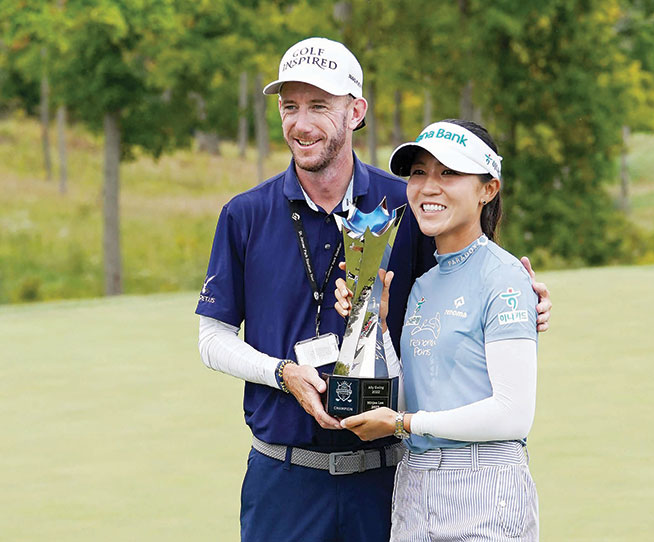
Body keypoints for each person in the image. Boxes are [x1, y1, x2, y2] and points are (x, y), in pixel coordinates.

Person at [196, 37, 551, 542]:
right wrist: (282, 373)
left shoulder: (406, 202)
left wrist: (522, 296)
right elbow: (212, 340)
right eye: (289, 106)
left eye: (319, 106)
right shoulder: (245, 214)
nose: (301, 123)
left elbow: (466, 279)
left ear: (355, 111)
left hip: (386, 477)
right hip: (283, 476)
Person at [335, 119, 541, 541]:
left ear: (488, 189)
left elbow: (512, 413)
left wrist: (403, 424)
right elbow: (418, 393)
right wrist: (373, 319)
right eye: (419, 173)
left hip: (485, 487)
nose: (429, 187)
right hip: (415, 488)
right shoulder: (425, 284)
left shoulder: (504, 276)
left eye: (449, 173)